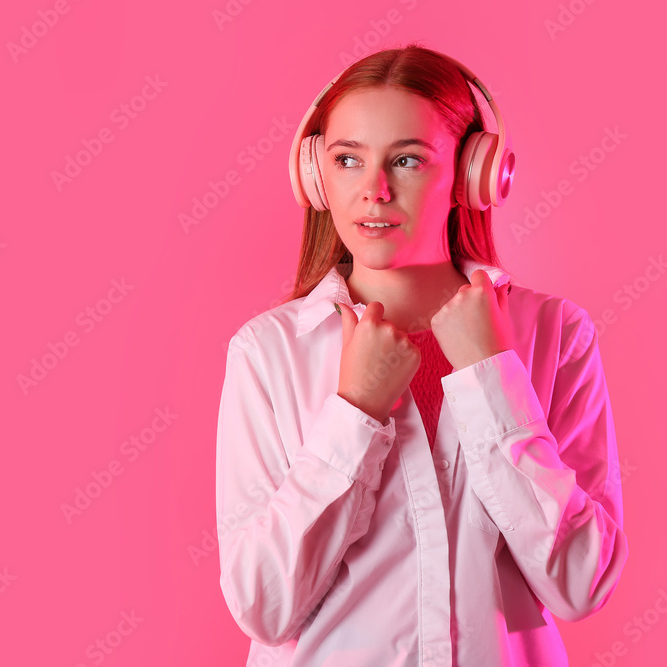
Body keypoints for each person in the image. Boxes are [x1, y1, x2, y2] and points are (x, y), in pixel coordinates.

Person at [215, 43, 628, 666]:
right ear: (317, 177)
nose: (375, 190)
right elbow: (263, 606)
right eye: (348, 159)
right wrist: (354, 412)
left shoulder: (555, 332)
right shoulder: (267, 352)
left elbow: (582, 582)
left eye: (406, 159)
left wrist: (493, 381)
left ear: (472, 175)